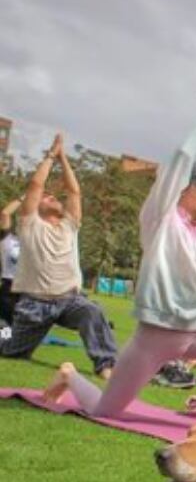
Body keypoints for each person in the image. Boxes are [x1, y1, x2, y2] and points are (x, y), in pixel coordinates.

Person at [43, 90, 196, 425]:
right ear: (183, 187)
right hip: (155, 338)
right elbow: (182, 156)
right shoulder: (160, 218)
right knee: (103, 412)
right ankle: (69, 375)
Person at [0, 133, 118, 376]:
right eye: (48, 197)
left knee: (91, 311)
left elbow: (74, 192)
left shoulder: (69, 225)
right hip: (34, 305)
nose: (53, 197)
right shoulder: (30, 224)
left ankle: (106, 366)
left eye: (55, 196)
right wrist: (51, 156)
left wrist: (64, 158)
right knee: (13, 352)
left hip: (69, 301)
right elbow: (35, 186)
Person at [0, 199, 21, 324]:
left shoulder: (37, 240)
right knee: (4, 330)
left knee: (21, 333)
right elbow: (5, 213)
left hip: (31, 291)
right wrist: (28, 195)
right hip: (9, 288)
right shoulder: (8, 239)